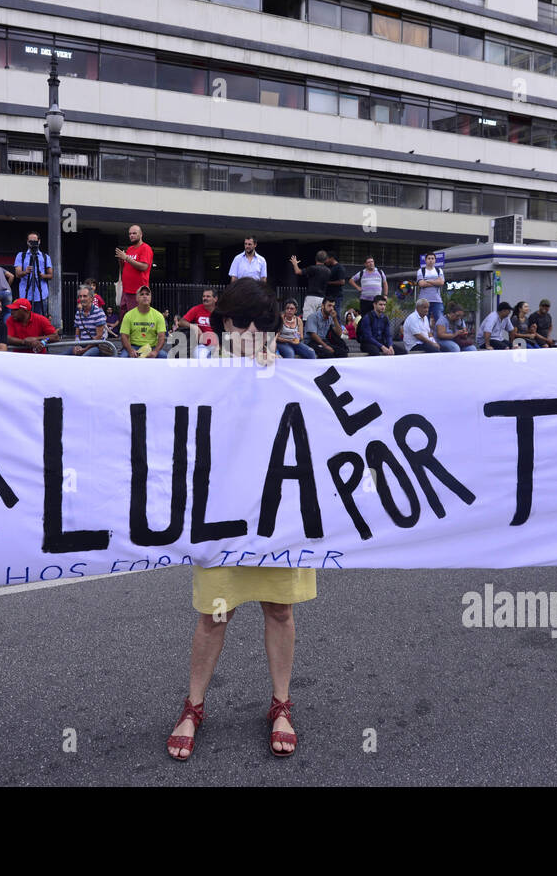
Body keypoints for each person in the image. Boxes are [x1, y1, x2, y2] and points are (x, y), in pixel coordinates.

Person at [166, 278, 310, 761]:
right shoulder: (201, 365)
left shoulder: (288, 371)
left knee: (280, 609)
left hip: (277, 512)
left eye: (261, 324)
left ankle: (282, 704)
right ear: (224, 323)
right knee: (215, 613)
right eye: (241, 322)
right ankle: (193, 706)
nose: (251, 332)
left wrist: (274, 377)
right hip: (221, 512)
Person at [119, 286, 168, 358]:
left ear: (151, 298)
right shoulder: (128, 315)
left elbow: (162, 337)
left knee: (164, 356)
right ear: (137, 298)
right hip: (133, 347)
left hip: (152, 347)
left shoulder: (158, 316)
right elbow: (124, 336)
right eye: (142, 294)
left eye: (147, 294)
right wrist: (130, 351)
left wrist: (156, 351)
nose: (145, 296)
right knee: (122, 358)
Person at [115, 224, 153, 315]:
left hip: (137, 291)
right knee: (124, 319)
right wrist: (121, 260)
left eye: (134, 233)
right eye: (130, 234)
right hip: (126, 290)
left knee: (135, 318)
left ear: (141, 234)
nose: (131, 235)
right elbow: (124, 268)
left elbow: (144, 267)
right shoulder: (130, 249)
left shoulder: (145, 248)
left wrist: (127, 258)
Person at [14, 233, 53, 317]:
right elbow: (17, 274)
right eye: (31, 241)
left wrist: (42, 275)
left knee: (40, 319)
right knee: (24, 319)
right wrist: (25, 272)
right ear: (27, 242)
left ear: (39, 242)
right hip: (25, 293)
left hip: (41, 294)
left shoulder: (45, 257)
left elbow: (51, 275)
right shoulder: (21, 255)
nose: (33, 243)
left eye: (35, 241)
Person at [65, 285, 109, 357]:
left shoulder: (99, 312)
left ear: (91, 298)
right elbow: (77, 334)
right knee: (63, 356)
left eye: (85, 296)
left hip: (96, 346)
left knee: (84, 358)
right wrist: (77, 345)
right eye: (80, 296)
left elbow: (99, 337)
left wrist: (85, 349)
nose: (82, 299)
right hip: (82, 344)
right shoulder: (78, 313)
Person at [177, 288, 219, 359]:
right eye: (203, 296)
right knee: (201, 358)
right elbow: (181, 322)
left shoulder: (220, 312)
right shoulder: (197, 309)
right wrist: (194, 327)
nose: (205, 298)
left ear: (215, 299)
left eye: (208, 296)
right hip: (202, 346)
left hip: (219, 346)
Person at [290, 251, 331, 321]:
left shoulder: (312, 268)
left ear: (315, 259)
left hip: (311, 297)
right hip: (322, 298)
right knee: (319, 320)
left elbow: (298, 271)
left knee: (307, 319)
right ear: (325, 260)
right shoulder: (328, 271)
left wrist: (294, 263)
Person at [416, 252, 445, 320]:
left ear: (435, 260)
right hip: (423, 301)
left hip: (437, 300)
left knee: (440, 320)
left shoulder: (439, 270)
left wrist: (428, 280)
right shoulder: (421, 271)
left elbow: (441, 283)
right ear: (425, 260)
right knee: (424, 321)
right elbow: (421, 284)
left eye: (432, 258)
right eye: (429, 258)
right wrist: (435, 281)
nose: (431, 260)